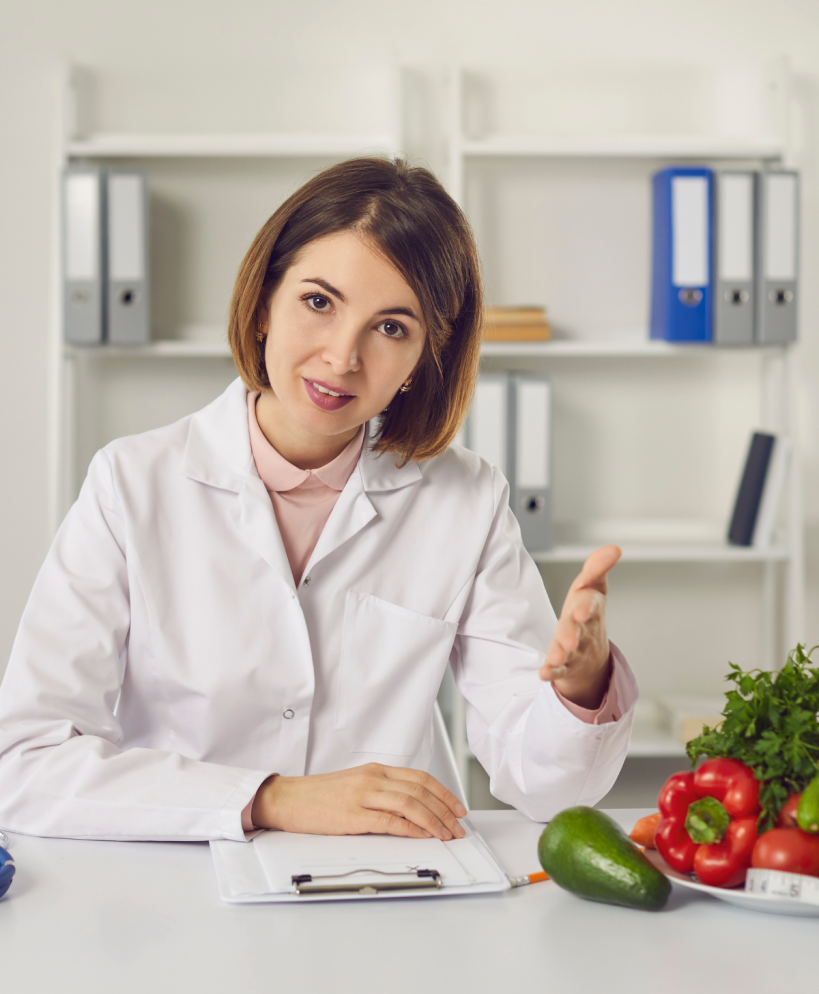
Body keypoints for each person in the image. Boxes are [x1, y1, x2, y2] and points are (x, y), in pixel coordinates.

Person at [0, 157, 637, 843]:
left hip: (388, 887)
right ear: (265, 302)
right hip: (180, 888)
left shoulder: (466, 499)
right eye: (318, 302)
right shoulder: (131, 484)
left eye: (391, 327)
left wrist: (580, 688)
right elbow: (27, 765)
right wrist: (269, 800)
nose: (342, 357)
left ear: (427, 356)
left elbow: (545, 784)